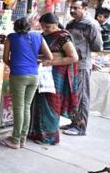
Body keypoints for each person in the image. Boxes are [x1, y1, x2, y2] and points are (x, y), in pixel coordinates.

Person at [1, 17, 53, 149]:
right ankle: (22, 140)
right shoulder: (38, 37)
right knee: (26, 107)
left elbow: (5, 58)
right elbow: (50, 57)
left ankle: (15, 140)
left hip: (19, 75)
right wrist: (36, 60)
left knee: (19, 107)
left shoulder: (11, 37)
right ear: (28, 27)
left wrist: (14, 65)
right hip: (34, 76)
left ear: (15, 27)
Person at [29, 13, 79, 145]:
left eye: (48, 26)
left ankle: (50, 137)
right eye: (43, 27)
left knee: (51, 102)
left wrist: (51, 62)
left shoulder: (63, 37)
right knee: (39, 101)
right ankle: (37, 133)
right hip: (42, 71)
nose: (45, 29)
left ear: (56, 24)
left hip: (56, 74)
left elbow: (73, 57)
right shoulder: (43, 35)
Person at [63, 0, 103, 136]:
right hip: (70, 63)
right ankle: (74, 121)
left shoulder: (91, 25)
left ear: (85, 9)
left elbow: (97, 46)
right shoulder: (71, 24)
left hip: (82, 64)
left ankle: (81, 127)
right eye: (71, 8)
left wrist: (85, 55)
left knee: (82, 95)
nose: (72, 10)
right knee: (74, 95)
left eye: (76, 8)